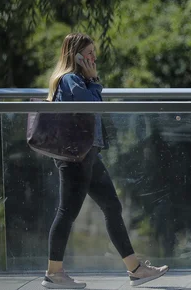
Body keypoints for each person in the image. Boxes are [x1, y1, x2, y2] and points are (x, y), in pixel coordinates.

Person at [43, 33, 169, 289]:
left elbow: (94, 105)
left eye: (93, 53)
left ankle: (135, 269)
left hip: (89, 155)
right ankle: (54, 273)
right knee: (67, 212)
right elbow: (91, 105)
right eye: (88, 53)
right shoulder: (69, 80)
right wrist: (92, 81)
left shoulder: (80, 80)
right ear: (75, 55)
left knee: (112, 206)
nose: (93, 57)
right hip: (75, 157)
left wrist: (92, 81)